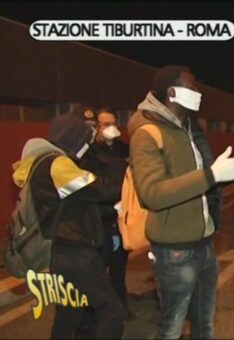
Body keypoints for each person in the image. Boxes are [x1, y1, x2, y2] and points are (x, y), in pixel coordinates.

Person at [128, 65, 234, 339]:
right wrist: (211, 174)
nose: (198, 93)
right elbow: (152, 193)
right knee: (171, 328)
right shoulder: (147, 133)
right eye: (192, 87)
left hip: (204, 245)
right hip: (174, 251)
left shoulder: (188, 129)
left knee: (204, 324)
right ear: (172, 92)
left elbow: (212, 178)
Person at [12, 112, 125, 338]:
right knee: (111, 311)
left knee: (69, 313)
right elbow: (101, 189)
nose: (87, 146)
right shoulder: (57, 164)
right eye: (85, 140)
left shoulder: (40, 164)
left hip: (58, 251)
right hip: (74, 252)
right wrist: (129, 176)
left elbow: (76, 203)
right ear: (73, 139)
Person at [79, 108, 132, 318]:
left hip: (120, 219)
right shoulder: (90, 153)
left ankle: (120, 306)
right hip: (100, 219)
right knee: (99, 268)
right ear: (97, 127)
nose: (110, 128)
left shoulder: (124, 150)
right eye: (105, 124)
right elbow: (91, 186)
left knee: (119, 267)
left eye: (113, 123)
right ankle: (93, 312)